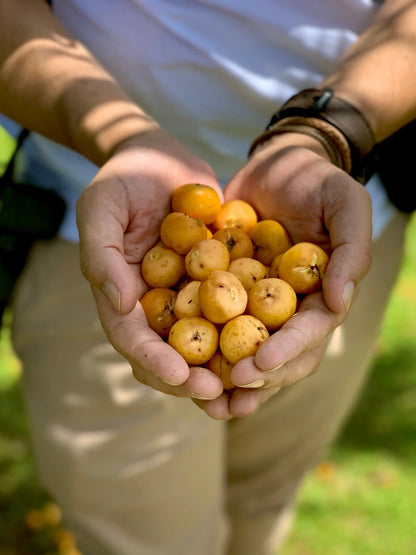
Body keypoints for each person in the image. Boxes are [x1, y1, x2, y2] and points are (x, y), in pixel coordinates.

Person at [0, 1, 414, 553]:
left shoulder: (271, 272)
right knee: (141, 536)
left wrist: (324, 132)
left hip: (334, 220)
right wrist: (116, 135)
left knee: (264, 492)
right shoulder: (184, 267)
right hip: (102, 226)